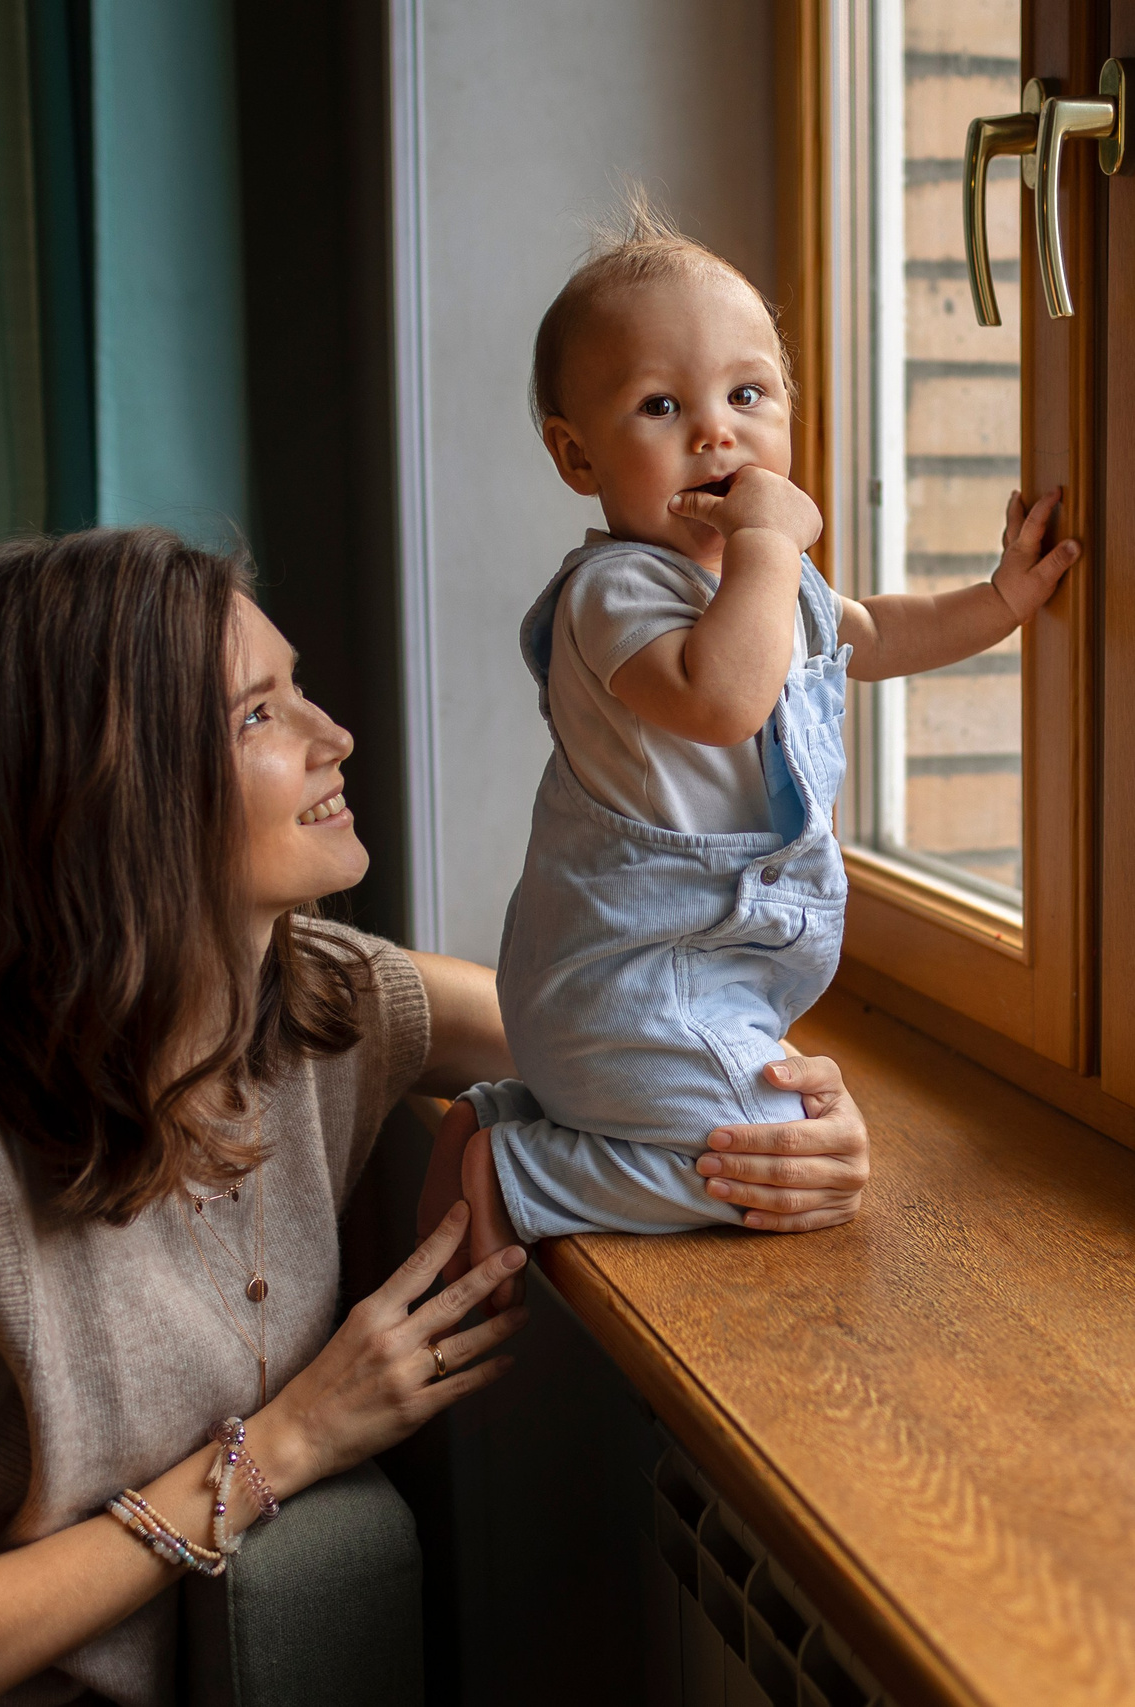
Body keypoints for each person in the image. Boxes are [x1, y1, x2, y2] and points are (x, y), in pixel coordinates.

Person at [0, 526, 870, 1707]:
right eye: (258, 716)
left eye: (297, 690)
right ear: (103, 789)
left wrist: (786, 1115)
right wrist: (292, 1441)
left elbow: (612, 1037)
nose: (333, 736)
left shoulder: (322, 1003)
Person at [421, 197, 1077, 1291]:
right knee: (780, 1159)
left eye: (747, 396)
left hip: (703, 985)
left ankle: (518, 1110)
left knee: (791, 1133)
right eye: (662, 405)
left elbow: (871, 630)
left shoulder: (777, 586)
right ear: (577, 457)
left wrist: (999, 600)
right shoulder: (614, 593)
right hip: (633, 986)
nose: (715, 433)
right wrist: (769, 540)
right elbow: (720, 697)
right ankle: (522, 1173)